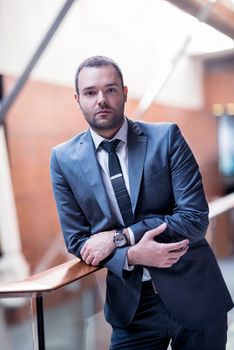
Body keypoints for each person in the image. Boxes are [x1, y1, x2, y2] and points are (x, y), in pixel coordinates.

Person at [50, 55, 233, 350]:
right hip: (132, 308)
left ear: (124, 93)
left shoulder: (166, 137)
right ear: (77, 99)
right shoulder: (63, 159)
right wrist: (133, 255)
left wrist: (122, 236)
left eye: (110, 90)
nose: (101, 100)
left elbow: (195, 219)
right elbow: (77, 239)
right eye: (90, 92)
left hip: (195, 294)